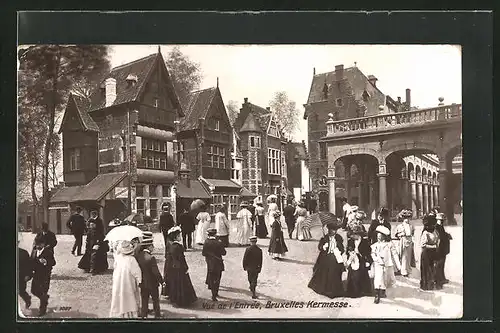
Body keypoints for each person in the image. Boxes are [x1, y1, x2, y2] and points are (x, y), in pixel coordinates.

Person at [308, 221, 345, 298]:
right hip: (326, 257)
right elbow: (320, 247)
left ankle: (335, 290)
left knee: (334, 272)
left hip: (335, 258)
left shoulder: (338, 238)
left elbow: (342, 248)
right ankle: (325, 289)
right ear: (328, 230)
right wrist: (324, 246)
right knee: (326, 273)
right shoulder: (324, 238)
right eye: (332, 230)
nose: (334, 232)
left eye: (335, 230)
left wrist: (338, 251)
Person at [109, 239, 142, 318]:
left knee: (118, 297)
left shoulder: (118, 258)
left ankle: (118, 314)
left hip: (118, 281)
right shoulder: (131, 259)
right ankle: (129, 315)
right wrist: (139, 280)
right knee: (129, 298)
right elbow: (137, 272)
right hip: (128, 282)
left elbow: (115, 267)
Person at [166, 226, 197, 307]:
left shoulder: (171, 245)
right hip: (180, 268)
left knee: (176, 284)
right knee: (182, 284)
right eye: (179, 236)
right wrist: (186, 268)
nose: (180, 237)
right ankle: (183, 300)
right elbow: (182, 259)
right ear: (175, 237)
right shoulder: (178, 247)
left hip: (173, 268)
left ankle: (176, 298)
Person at [371, 225, 401, 304]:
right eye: (378, 235)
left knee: (385, 278)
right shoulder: (375, 245)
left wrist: (398, 266)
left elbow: (394, 254)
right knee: (378, 278)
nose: (378, 237)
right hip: (378, 264)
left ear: (384, 236)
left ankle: (383, 291)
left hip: (387, 264)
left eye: (380, 235)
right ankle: (377, 294)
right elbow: (373, 254)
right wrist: (377, 260)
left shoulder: (389, 244)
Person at [136, 236, 163, 318]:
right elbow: (156, 272)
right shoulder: (151, 258)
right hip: (152, 283)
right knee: (155, 300)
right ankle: (157, 315)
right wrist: (162, 281)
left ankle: (144, 315)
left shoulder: (138, 256)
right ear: (148, 246)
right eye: (152, 246)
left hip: (143, 283)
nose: (153, 247)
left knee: (144, 301)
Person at [345, 224, 373, 298]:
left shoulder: (364, 242)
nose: (352, 236)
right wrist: (350, 253)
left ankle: (363, 291)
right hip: (353, 259)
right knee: (353, 275)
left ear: (358, 235)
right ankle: (353, 292)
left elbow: (368, 251)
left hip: (361, 259)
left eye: (354, 235)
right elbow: (347, 250)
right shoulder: (350, 241)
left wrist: (368, 261)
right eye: (352, 235)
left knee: (362, 274)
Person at [31, 237, 56, 316]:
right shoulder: (34, 251)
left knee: (44, 291)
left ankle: (42, 311)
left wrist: (46, 262)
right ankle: (45, 298)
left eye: (39, 244)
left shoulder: (48, 252)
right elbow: (31, 261)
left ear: (43, 244)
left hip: (45, 276)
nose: (37, 246)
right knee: (33, 291)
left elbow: (53, 262)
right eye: (36, 244)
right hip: (36, 275)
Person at [202, 228, 227, 301]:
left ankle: (213, 294)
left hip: (210, 263)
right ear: (215, 234)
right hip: (218, 263)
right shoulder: (219, 242)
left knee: (212, 277)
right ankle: (215, 293)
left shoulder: (206, 242)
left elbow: (203, 253)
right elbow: (224, 253)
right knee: (217, 278)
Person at [420, 214, 440, 291]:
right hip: (426, 253)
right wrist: (433, 246)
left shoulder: (435, 231)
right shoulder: (425, 233)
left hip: (433, 253)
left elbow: (437, 239)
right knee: (426, 269)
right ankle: (425, 285)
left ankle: (431, 284)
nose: (433, 226)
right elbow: (423, 245)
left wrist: (437, 244)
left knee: (433, 269)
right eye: (432, 225)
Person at [394, 209, 416, 277]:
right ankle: (403, 271)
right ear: (403, 218)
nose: (407, 219)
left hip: (409, 241)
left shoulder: (411, 226)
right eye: (405, 218)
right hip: (403, 240)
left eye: (408, 218)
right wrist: (401, 235)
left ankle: (408, 270)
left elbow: (412, 233)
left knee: (408, 256)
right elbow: (396, 234)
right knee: (403, 256)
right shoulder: (400, 226)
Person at [435, 213, 452, 287]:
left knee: (441, 264)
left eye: (443, 220)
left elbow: (443, 234)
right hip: (439, 249)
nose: (442, 221)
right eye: (441, 220)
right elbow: (439, 237)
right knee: (439, 264)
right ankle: (439, 279)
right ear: (437, 220)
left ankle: (442, 278)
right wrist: (446, 236)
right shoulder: (436, 227)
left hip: (442, 249)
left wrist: (447, 235)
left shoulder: (440, 226)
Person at [19, 240, 33, 310]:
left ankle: (27, 299)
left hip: (21, 276)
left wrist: (28, 275)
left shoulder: (23, 253)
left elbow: (28, 265)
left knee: (21, 291)